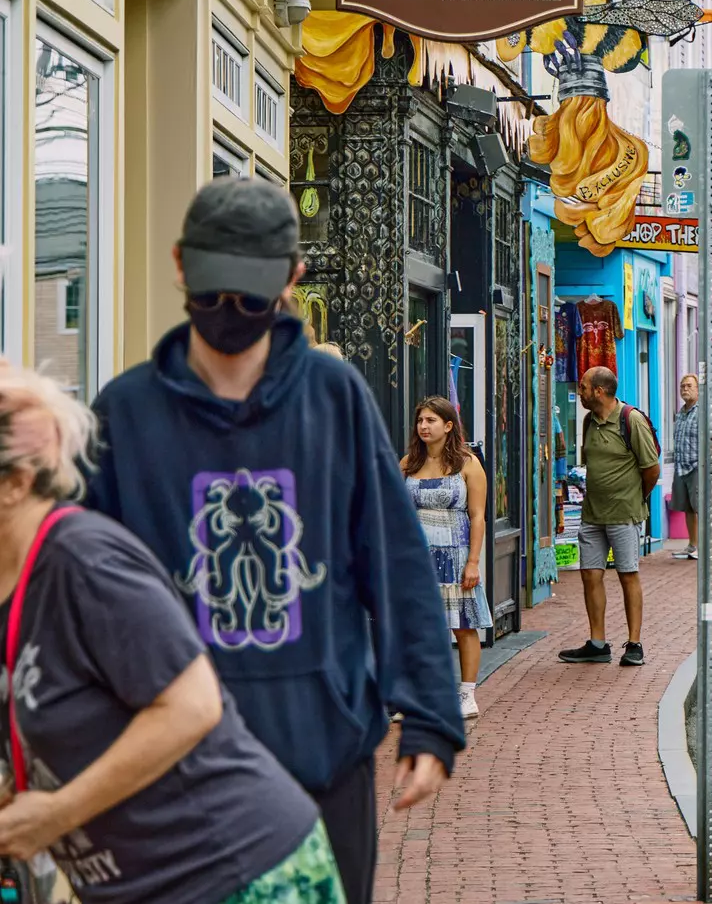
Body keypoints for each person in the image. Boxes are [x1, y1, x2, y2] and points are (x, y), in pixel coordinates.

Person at [85, 179, 459, 904]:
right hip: (168, 779)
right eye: (214, 288)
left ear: (291, 277)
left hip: (321, 763)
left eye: (249, 292)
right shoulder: (122, 415)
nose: (230, 310)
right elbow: (74, 586)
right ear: (179, 266)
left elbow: (397, 560)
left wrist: (432, 718)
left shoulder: (335, 395)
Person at [0, 360, 349, 902]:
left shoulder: (84, 561)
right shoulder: (13, 581)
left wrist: (55, 815)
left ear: (15, 484)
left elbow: (191, 706)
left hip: (239, 874)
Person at [557, 367, 659, 668]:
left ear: (599, 391)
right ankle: (598, 643)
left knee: (627, 574)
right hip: (592, 513)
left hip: (624, 512)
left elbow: (651, 468)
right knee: (590, 574)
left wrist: (636, 496)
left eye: (585, 388)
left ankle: (635, 643)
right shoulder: (590, 421)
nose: (581, 392)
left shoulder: (631, 420)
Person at [401, 397, 489, 721]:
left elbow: (478, 516)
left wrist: (473, 561)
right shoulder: (408, 463)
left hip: (455, 550)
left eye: (431, 421)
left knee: (463, 625)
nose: (424, 426)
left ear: (448, 426)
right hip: (417, 555)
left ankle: (466, 693)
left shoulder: (468, 464)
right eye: (421, 420)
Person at [668, 373, 701, 561]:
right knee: (687, 508)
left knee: (700, 508)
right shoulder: (680, 412)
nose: (685, 389)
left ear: (697, 389)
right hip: (681, 467)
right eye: (682, 386)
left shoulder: (702, 412)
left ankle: (703, 547)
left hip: (697, 466)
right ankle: (692, 544)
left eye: (689, 386)